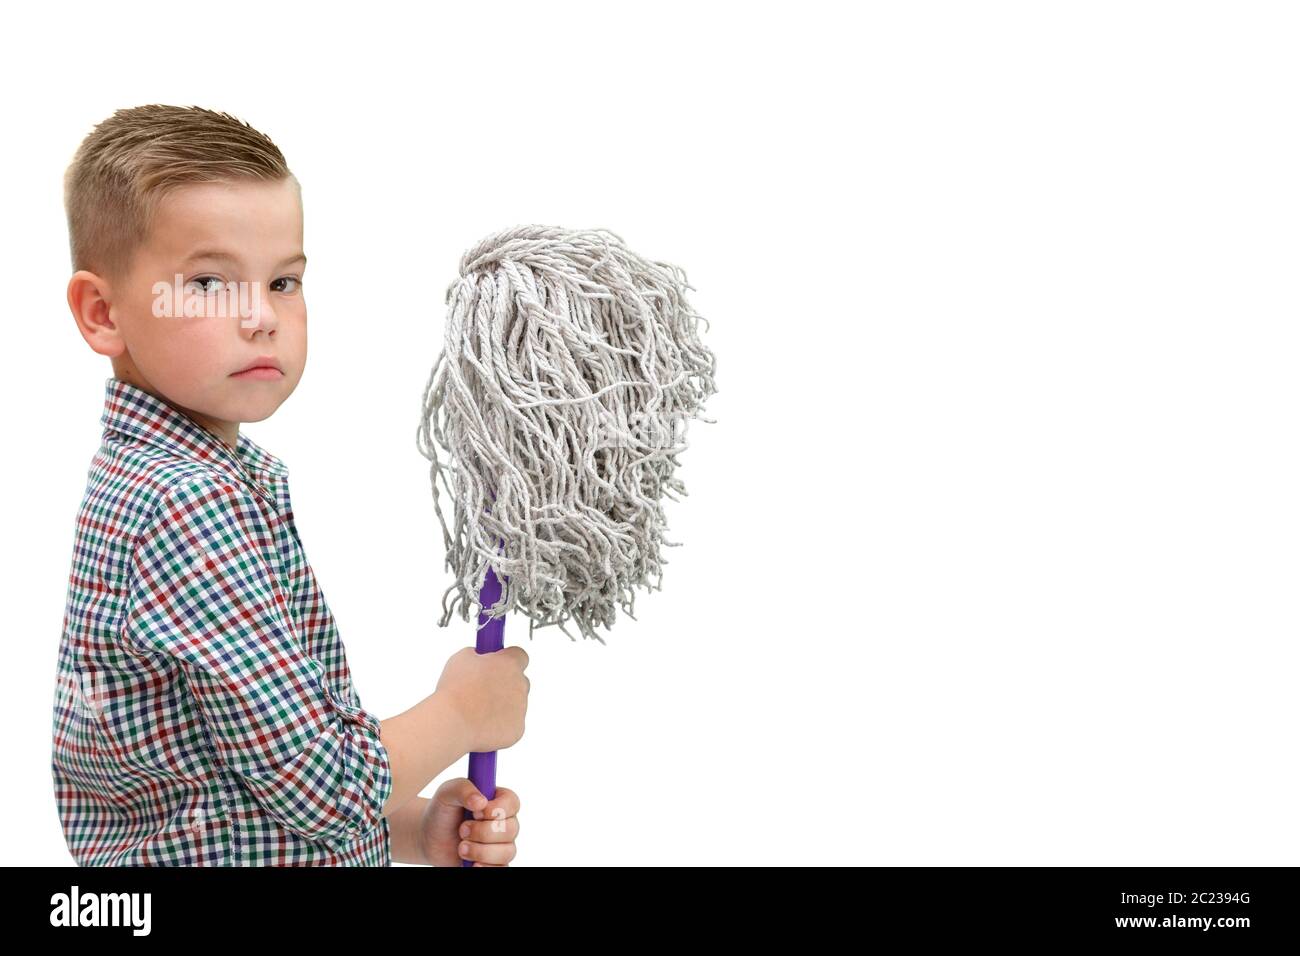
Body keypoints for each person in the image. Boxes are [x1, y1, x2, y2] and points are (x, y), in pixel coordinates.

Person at [52, 104, 529, 866]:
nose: (262, 317)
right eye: (209, 282)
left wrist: (408, 828)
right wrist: (459, 714)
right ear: (103, 313)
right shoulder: (186, 504)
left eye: (282, 281)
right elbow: (324, 784)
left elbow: (238, 779)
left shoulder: (192, 482)